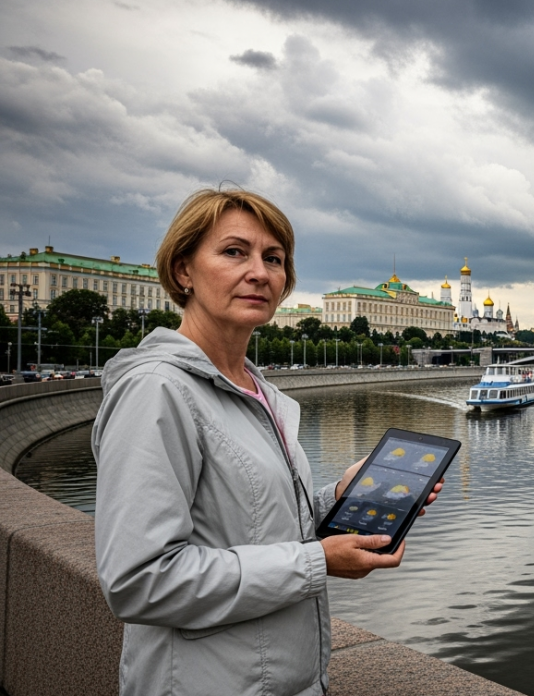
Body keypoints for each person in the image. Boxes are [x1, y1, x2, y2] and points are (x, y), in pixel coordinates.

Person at [93, 188, 441, 696]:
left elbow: (256, 525)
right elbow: (140, 581)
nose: (259, 272)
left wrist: (338, 497)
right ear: (183, 270)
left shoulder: (257, 391)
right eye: (234, 252)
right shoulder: (157, 390)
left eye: (273, 259)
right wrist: (318, 562)